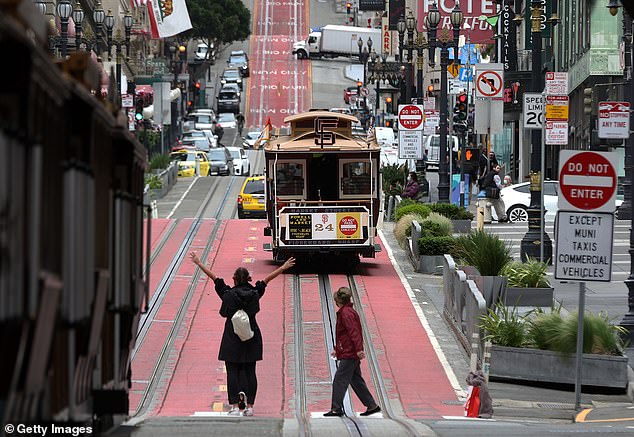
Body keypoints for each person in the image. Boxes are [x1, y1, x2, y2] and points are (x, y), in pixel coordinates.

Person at [189, 252, 296, 416]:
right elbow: (267, 280)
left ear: (234, 279)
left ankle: (234, 405)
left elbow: (215, 278)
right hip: (251, 336)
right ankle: (250, 405)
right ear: (248, 279)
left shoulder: (227, 294)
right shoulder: (254, 293)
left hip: (232, 337)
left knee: (232, 370)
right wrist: (282, 267)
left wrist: (198, 262)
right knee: (250, 370)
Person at [323, 287, 381, 417]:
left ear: (338, 301)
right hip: (348, 351)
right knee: (355, 380)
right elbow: (347, 334)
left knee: (339, 379)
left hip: (350, 353)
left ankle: (336, 408)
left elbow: (353, 332)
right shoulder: (348, 312)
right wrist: (338, 350)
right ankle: (371, 405)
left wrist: (358, 349)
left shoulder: (346, 314)